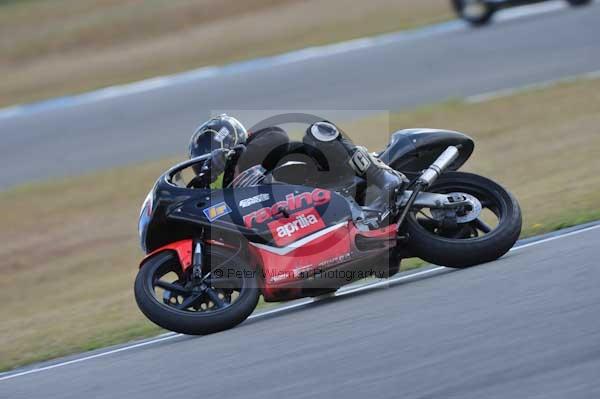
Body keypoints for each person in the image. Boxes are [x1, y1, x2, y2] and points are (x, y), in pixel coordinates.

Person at [188, 114, 407, 217]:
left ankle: (384, 178)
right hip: (307, 214)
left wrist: (236, 159)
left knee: (317, 131)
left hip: (328, 177)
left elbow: (278, 139)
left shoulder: (258, 140)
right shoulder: (232, 192)